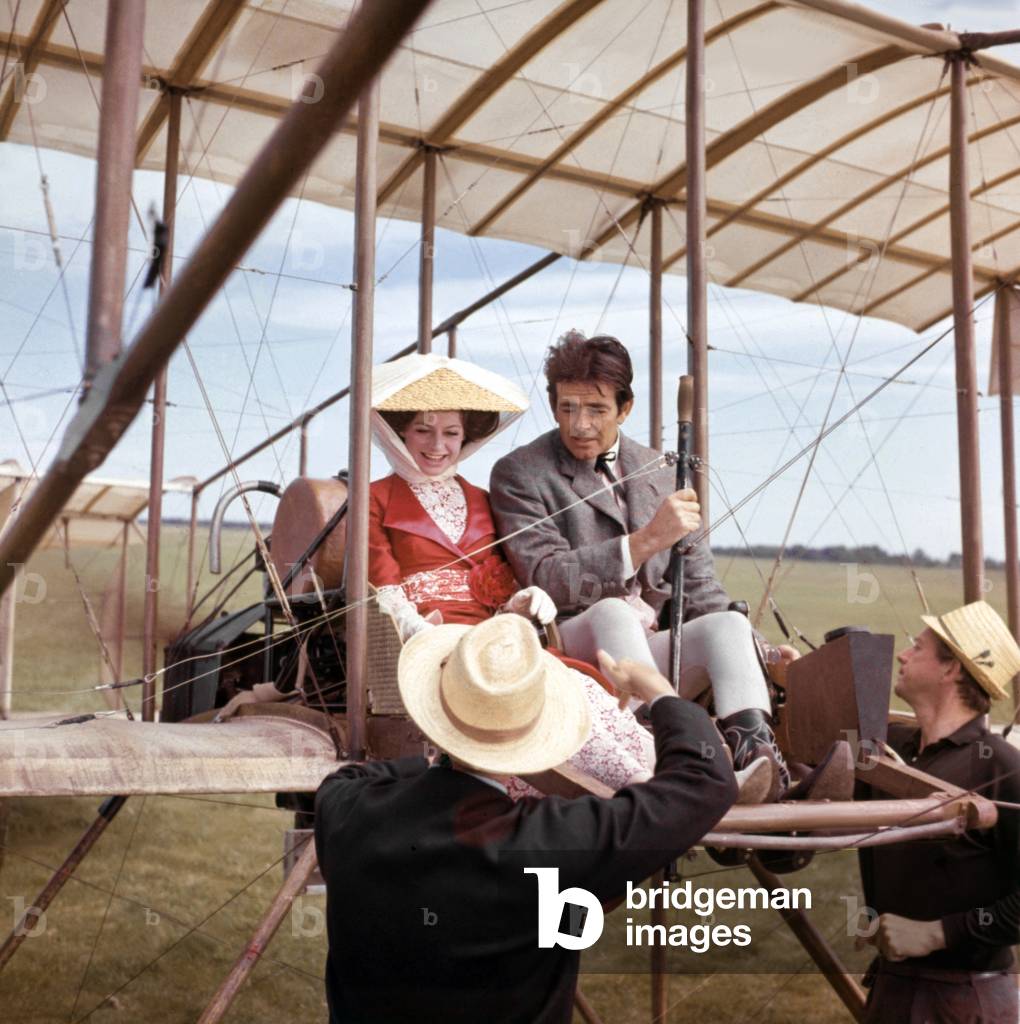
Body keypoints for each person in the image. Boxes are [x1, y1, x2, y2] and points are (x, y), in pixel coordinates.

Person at [314, 613, 738, 1023]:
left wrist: (429, 765)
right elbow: (704, 783)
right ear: (537, 735)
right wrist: (660, 693)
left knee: (570, 915)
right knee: (573, 913)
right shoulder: (548, 842)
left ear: (435, 715)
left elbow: (351, 775)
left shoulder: (343, 808)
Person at [489, 330, 805, 796]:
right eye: (566, 407)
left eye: (596, 410)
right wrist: (645, 541)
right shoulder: (520, 472)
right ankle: (671, 765)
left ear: (625, 408)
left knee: (726, 626)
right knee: (615, 611)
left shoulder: (660, 470)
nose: (578, 425)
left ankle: (760, 769)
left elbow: (698, 587)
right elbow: (546, 579)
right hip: (571, 651)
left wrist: (763, 651)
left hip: (646, 655)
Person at [857, 600, 1020, 1024]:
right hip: (893, 989)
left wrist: (936, 933)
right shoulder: (892, 751)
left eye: (918, 646)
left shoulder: (1002, 767)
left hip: (964, 1002)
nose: (902, 653)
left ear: (952, 670)